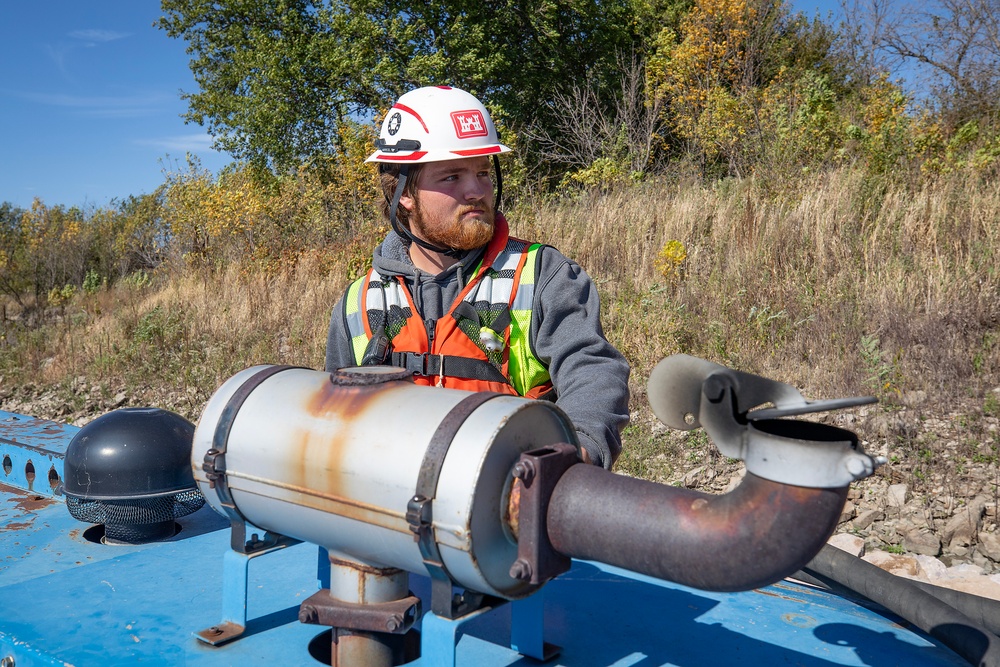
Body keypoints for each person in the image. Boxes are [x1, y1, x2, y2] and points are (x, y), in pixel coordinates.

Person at [324, 85, 630, 468]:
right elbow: (335, 416)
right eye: (452, 176)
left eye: (483, 172)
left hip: (507, 501)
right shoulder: (359, 303)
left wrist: (579, 447)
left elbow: (591, 369)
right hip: (394, 504)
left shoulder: (543, 275)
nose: (476, 190)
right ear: (403, 192)